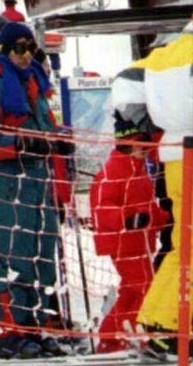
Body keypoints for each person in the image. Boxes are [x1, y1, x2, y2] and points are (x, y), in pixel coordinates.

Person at [0, 21, 72, 359]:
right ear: (3, 50)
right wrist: (21, 144)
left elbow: (45, 125)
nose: (25, 56)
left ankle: (36, 326)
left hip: (38, 180)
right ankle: (8, 331)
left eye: (30, 49)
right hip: (7, 180)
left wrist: (58, 141)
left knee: (44, 257)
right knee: (16, 258)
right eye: (18, 49)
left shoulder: (34, 83)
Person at [135, 16, 193, 360]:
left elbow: (127, 82)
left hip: (174, 154)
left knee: (181, 244)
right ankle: (170, 325)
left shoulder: (163, 56)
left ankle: (158, 321)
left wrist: (132, 126)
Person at [91, 115, 167, 354]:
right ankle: (130, 333)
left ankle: (110, 338)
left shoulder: (139, 170)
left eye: (145, 145)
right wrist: (126, 219)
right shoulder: (114, 170)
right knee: (146, 287)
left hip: (140, 242)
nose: (144, 150)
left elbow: (148, 209)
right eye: (138, 144)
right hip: (122, 243)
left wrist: (168, 217)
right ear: (124, 143)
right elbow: (102, 207)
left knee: (132, 289)